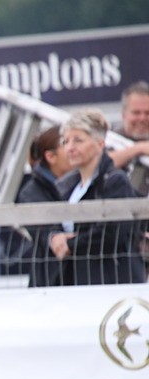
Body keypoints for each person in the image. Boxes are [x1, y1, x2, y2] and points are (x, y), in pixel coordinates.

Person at [49, 109, 146, 286]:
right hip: (80, 280)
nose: (70, 147)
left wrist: (71, 244)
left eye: (78, 140)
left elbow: (113, 234)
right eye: (65, 141)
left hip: (111, 280)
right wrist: (55, 237)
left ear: (100, 143)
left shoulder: (115, 181)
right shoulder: (69, 188)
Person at [2, 126, 70, 286]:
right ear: (50, 156)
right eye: (66, 143)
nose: (74, 149)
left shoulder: (83, 182)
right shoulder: (31, 193)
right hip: (52, 284)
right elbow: (48, 234)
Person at [107, 81, 149, 196]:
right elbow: (100, 164)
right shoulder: (110, 139)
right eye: (136, 113)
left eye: (147, 113)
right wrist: (138, 149)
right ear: (124, 114)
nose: (142, 118)